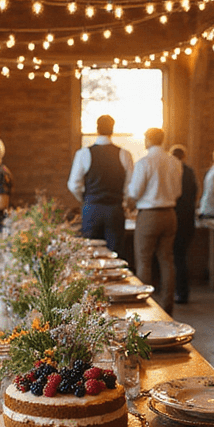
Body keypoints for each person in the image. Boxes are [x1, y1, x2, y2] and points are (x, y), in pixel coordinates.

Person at [125, 127, 182, 314]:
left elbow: (135, 192)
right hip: (170, 214)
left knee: (144, 261)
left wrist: (130, 203)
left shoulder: (144, 162)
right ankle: (167, 305)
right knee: (166, 260)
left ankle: (145, 307)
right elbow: (178, 192)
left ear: (149, 139)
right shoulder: (174, 161)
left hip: (149, 215)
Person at [67, 114, 134, 255]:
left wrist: (85, 199)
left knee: (90, 253)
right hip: (115, 210)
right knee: (115, 254)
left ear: (97, 128)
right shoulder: (124, 154)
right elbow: (130, 186)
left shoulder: (84, 153)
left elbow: (73, 184)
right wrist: (124, 201)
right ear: (112, 129)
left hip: (91, 209)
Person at [170, 145, 198, 304]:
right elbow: (195, 193)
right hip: (188, 219)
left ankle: (173, 290)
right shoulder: (189, 171)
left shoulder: (170, 170)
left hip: (174, 216)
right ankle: (183, 292)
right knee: (181, 257)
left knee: (172, 257)